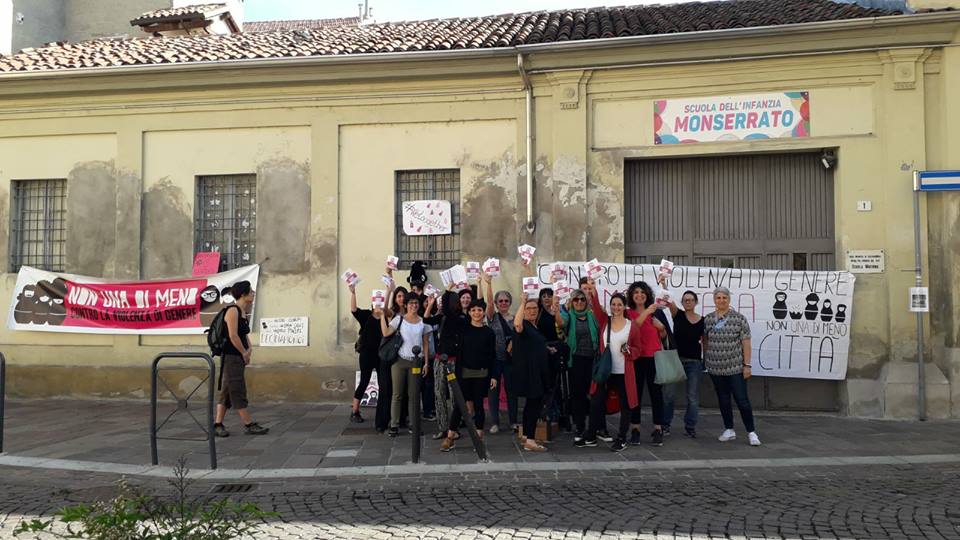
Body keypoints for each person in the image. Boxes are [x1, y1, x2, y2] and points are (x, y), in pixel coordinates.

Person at [577, 292, 644, 451]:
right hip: (605, 370)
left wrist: (629, 351)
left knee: (625, 405)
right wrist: (593, 291)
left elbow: (638, 349)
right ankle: (591, 434)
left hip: (623, 372)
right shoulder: (604, 321)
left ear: (624, 306)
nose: (616, 307)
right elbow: (595, 307)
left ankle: (621, 438)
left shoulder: (631, 326)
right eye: (613, 304)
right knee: (596, 402)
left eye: (619, 304)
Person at [703, 286, 761, 446]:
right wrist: (706, 360)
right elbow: (705, 341)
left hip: (735, 367)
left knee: (742, 400)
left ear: (729, 299)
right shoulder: (708, 319)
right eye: (718, 298)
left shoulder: (739, 319)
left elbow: (746, 343)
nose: (721, 300)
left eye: (724, 298)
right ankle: (729, 429)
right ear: (714, 300)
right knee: (723, 399)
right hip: (715, 368)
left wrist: (747, 365)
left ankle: (751, 432)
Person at [213, 280, 269, 437]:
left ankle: (218, 424)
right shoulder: (233, 311)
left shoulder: (243, 311)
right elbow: (232, 335)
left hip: (238, 356)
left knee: (227, 391)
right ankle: (248, 424)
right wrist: (244, 352)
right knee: (237, 389)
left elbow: (243, 334)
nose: (253, 293)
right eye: (250, 292)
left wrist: (249, 349)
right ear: (243, 295)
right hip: (232, 357)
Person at [441, 299, 497, 451]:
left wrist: (494, 376)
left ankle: (479, 438)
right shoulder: (463, 329)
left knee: (479, 406)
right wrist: (447, 292)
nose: (476, 313)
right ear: (469, 312)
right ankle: (450, 437)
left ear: (484, 312)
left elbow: (493, 355)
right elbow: (449, 314)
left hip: (482, 374)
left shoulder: (489, 332)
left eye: (479, 310)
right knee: (460, 405)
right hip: (464, 373)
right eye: (473, 310)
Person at [553, 287, 606, 443]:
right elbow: (561, 323)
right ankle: (580, 427)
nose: (580, 302)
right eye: (576, 299)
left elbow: (602, 322)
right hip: (576, 361)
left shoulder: (592, 316)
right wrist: (556, 310)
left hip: (594, 360)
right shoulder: (568, 316)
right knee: (578, 396)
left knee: (597, 395)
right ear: (571, 302)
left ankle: (599, 427)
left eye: (582, 299)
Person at [423, 284, 474, 439]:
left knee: (454, 396)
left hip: (454, 362)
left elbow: (448, 310)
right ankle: (443, 427)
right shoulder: (443, 316)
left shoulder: (463, 318)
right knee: (439, 393)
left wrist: (448, 291)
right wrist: (431, 304)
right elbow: (426, 320)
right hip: (440, 360)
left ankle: (454, 428)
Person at [379, 295, 433, 437]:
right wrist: (381, 318)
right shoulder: (400, 319)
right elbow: (386, 333)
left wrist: (426, 363)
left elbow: (426, 344)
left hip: (416, 362)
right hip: (400, 361)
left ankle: (414, 424)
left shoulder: (424, 322)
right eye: (411, 303)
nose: (413, 305)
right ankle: (394, 424)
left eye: (416, 303)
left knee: (414, 395)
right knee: (397, 394)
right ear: (406, 305)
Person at [624, 280, 667, 447]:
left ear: (647, 295)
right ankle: (635, 429)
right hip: (636, 358)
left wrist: (661, 328)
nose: (640, 295)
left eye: (642, 292)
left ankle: (658, 429)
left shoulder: (656, 312)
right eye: (636, 293)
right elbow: (633, 328)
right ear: (631, 296)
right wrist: (647, 312)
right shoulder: (628, 313)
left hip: (654, 357)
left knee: (656, 394)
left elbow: (663, 335)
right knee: (636, 394)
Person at [662, 290, 706, 438]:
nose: (688, 302)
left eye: (691, 300)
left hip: (694, 362)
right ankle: (665, 425)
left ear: (696, 302)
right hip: (675, 360)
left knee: (692, 397)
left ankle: (690, 426)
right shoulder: (677, 315)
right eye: (685, 300)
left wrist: (705, 358)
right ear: (682, 303)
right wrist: (663, 281)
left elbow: (705, 341)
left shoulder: (703, 320)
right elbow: (667, 297)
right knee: (669, 395)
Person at [512, 293, 550, 452]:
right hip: (530, 373)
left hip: (538, 371)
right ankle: (531, 440)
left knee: (531, 406)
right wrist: (522, 302)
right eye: (529, 308)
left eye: (535, 308)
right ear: (523, 310)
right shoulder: (523, 325)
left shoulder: (535, 327)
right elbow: (517, 324)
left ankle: (527, 437)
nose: (532, 311)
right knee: (533, 407)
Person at [483, 274, 517, 434]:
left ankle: (513, 421)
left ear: (510, 303)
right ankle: (495, 422)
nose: (503, 303)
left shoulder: (516, 318)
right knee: (493, 390)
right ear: (496, 304)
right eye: (500, 301)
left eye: (506, 301)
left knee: (512, 390)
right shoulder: (492, 317)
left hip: (511, 360)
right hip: (495, 359)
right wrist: (488, 283)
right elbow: (488, 302)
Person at [348, 281, 382, 426]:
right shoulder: (367, 315)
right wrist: (353, 293)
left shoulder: (386, 318)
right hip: (367, 354)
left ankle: (382, 411)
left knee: (383, 383)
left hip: (381, 355)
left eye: (381, 301)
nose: (378, 304)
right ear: (373, 303)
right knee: (364, 381)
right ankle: (355, 410)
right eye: (376, 301)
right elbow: (354, 310)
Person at [406, 261, 436, 422]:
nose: (416, 291)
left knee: (428, 383)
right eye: (413, 287)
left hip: (427, 351)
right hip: (410, 353)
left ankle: (428, 409)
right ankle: (412, 413)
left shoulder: (427, 301)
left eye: (419, 287)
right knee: (411, 386)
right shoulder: (408, 305)